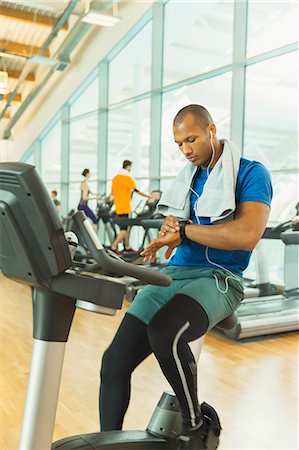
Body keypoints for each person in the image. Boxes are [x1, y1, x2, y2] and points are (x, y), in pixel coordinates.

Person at [99, 105, 272, 448]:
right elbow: (180, 228)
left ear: (211, 129)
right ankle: (107, 441)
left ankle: (196, 425)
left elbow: (246, 234)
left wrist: (186, 231)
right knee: (114, 361)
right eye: (179, 144)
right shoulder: (190, 180)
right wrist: (171, 231)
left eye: (191, 139)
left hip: (220, 277)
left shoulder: (251, 173)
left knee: (165, 332)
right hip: (176, 272)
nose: (186, 150)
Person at [110, 159, 154, 255]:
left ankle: (127, 246)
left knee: (126, 226)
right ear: (129, 167)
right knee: (124, 229)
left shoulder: (115, 178)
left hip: (118, 207)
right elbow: (136, 190)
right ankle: (113, 247)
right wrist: (150, 196)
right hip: (125, 206)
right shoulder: (127, 178)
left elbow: (112, 193)